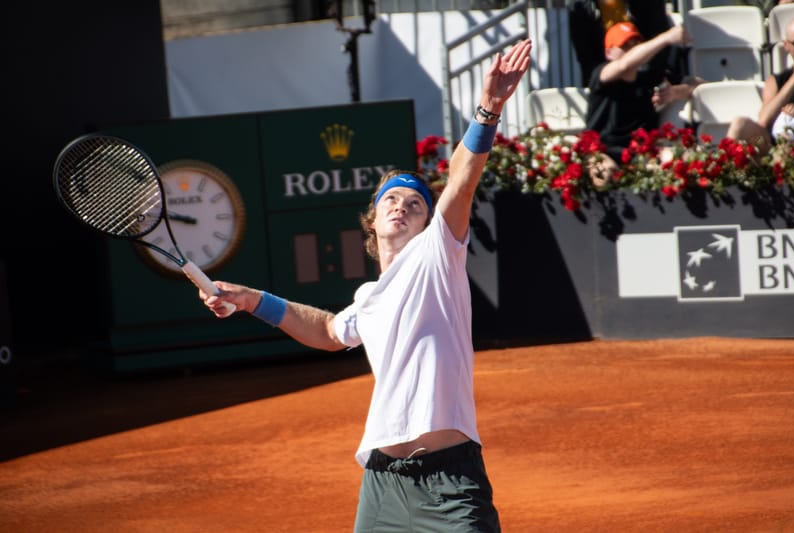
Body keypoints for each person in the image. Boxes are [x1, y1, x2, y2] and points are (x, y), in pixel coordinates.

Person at [199, 38, 533, 532]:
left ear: (427, 224)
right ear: (372, 221)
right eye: (391, 200)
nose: (401, 205)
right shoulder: (368, 298)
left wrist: (488, 109)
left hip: (449, 483)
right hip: (382, 484)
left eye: (415, 203)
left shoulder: (436, 258)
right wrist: (252, 301)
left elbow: (461, 182)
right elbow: (330, 331)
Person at [585, 21, 700, 167]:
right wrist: (666, 38)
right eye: (624, 46)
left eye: (635, 45)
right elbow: (624, 65)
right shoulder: (601, 74)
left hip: (642, 154)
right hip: (603, 151)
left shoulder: (651, 77)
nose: (631, 50)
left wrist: (676, 92)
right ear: (609, 53)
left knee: (681, 160)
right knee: (605, 171)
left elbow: (701, 85)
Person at [726, 16, 794, 154]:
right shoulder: (776, 81)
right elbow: (764, 120)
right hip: (775, 147)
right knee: (740, 125)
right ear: (787, 46)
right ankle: (724, 170)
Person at [569, 0, 686, 87]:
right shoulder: (580, 8)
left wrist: (648, 82)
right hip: (607, 83)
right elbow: (588, 63)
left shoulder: (648, 3)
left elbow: (659, 47)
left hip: (647, 80)